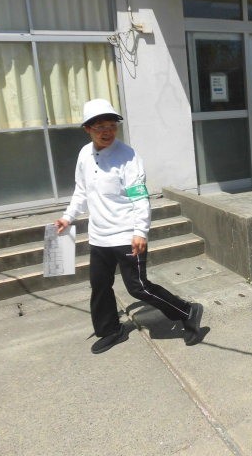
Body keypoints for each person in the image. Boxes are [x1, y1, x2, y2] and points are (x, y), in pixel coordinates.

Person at [54, 98, 204, 353]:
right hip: (99, 236)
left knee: (138, 287)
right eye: (100, 127)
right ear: (87, 129)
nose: (107, 132)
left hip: (126, 235)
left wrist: (140, 232)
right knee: (100, 286)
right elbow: (81, 191)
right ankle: (110, 330)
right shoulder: (84, 155)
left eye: (111, 126)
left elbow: (139, 197)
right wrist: (68, 217)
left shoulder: (128, 156)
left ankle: (187, 311)